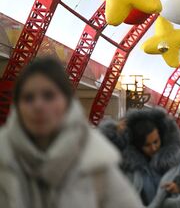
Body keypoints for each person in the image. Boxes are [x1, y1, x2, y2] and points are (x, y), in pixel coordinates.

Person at [0, 57, 142, 208]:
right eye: (28, 98)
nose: (38, 106)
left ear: (67, 102)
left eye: (49, 96)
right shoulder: (4, 157)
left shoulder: (94, 160)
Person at [122, 108, 180, 208]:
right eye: (147, 145)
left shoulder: (177, 162)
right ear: (137, 145)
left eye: (156, 141)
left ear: (162, 137)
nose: (153, 148)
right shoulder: (129, 166)